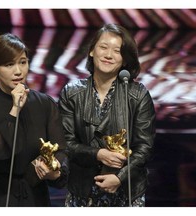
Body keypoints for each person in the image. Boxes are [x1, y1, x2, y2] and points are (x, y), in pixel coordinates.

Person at [58, 23, 156, 207]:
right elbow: (65, 143)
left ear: (125, 59)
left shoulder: (138, 94)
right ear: (92, 51)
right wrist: (98, 154)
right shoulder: (71, 93)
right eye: (103, 47)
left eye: (117, 51)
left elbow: (145, 148)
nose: (108, 55)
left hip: (127, 192)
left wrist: (120, 177)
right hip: (82, 190)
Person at [0, 33, 68, 207]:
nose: (18, 71)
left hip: (33, 194)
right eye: (9, 64)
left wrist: (55, 169)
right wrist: (14, 110)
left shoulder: (45, 103)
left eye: (23, 62)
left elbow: (61, 148)